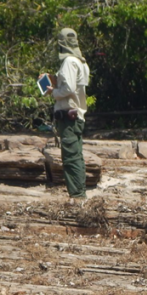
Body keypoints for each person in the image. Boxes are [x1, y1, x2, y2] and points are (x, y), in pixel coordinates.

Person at [44, 28, 90, 200]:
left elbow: (69, 89)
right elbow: (74, 86)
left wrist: (53, 91)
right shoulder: (81, 62)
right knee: (76, 156)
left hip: (68, 118)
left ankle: (77, 196)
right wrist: (55, 80)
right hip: (76, 116)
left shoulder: (69, 62)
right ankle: (79, 194)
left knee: (71, 158)